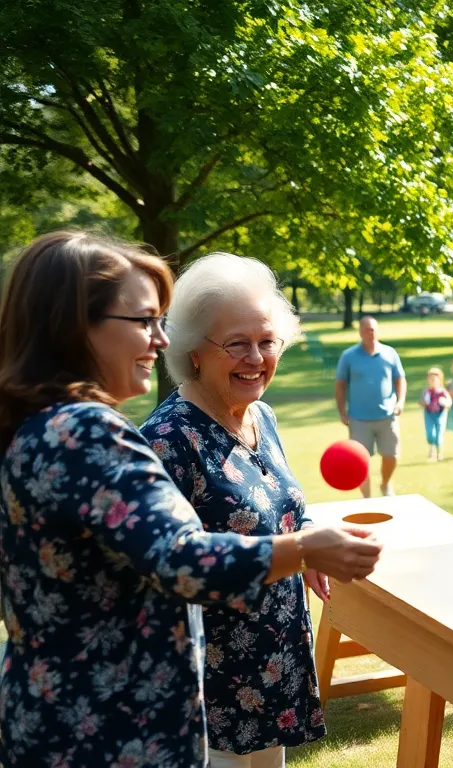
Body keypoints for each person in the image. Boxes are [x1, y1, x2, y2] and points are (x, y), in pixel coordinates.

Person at [0, 232, 381, 767]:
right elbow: (181, 559)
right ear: (73, 326)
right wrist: (303, 549)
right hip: (107, 732)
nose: (160, 340)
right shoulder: (84, 432)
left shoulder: (40, 426)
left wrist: (302, 542)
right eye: (143, 321)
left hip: (67, 723)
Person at [141, 251, 341, 766]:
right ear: (194, 352)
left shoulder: (261, 416)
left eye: (266, 341)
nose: (256, 358)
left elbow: (281, 507)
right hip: (213, 683)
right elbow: (162, 568)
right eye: (237, 344)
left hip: (274, 660)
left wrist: (310, 539)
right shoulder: (168, 439)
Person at [334, 316, 406, 497]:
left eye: (373, 329)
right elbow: (340, 385)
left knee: (392, 455)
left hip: (387, 415)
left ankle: (386, 483)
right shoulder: (349, 356)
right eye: (366, 330)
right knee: (360, 461)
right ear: (360, 332)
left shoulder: (390, 353)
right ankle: (367, 498)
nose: (370, 333)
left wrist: (400, 401)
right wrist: (342, 411)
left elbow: (400, 379)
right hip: (358, 418)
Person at [421, 366, 451, 461]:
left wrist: (445, 403)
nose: (432, 381)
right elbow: (421, 402)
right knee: (430, 433)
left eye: (434, 379)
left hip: (440, 414)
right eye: (430, 379)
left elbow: (449, 402)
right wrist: (424, 403)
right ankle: (432, 450)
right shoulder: (427, 392)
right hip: (429, 414)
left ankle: (439, 453)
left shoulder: (442, 392)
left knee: (439, 434)